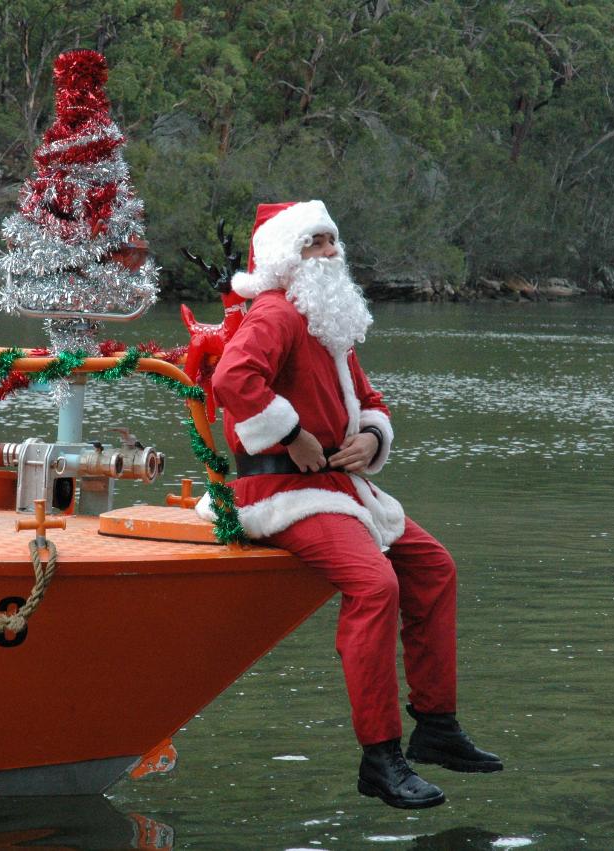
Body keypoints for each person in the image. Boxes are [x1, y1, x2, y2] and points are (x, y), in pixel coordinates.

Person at [208, 201, 502, 809]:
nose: (330, 253)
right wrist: (293, 435)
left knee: (432, 567)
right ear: (288, 256)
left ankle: (437, 727)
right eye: (315, 243)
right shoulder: (276, 313)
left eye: (332, 241)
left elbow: (369, 399)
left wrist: (370, 436)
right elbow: (233, 381)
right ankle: (380, 758)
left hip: (341, 490)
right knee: (375, 588)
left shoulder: (326, 322)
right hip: (281, 492)